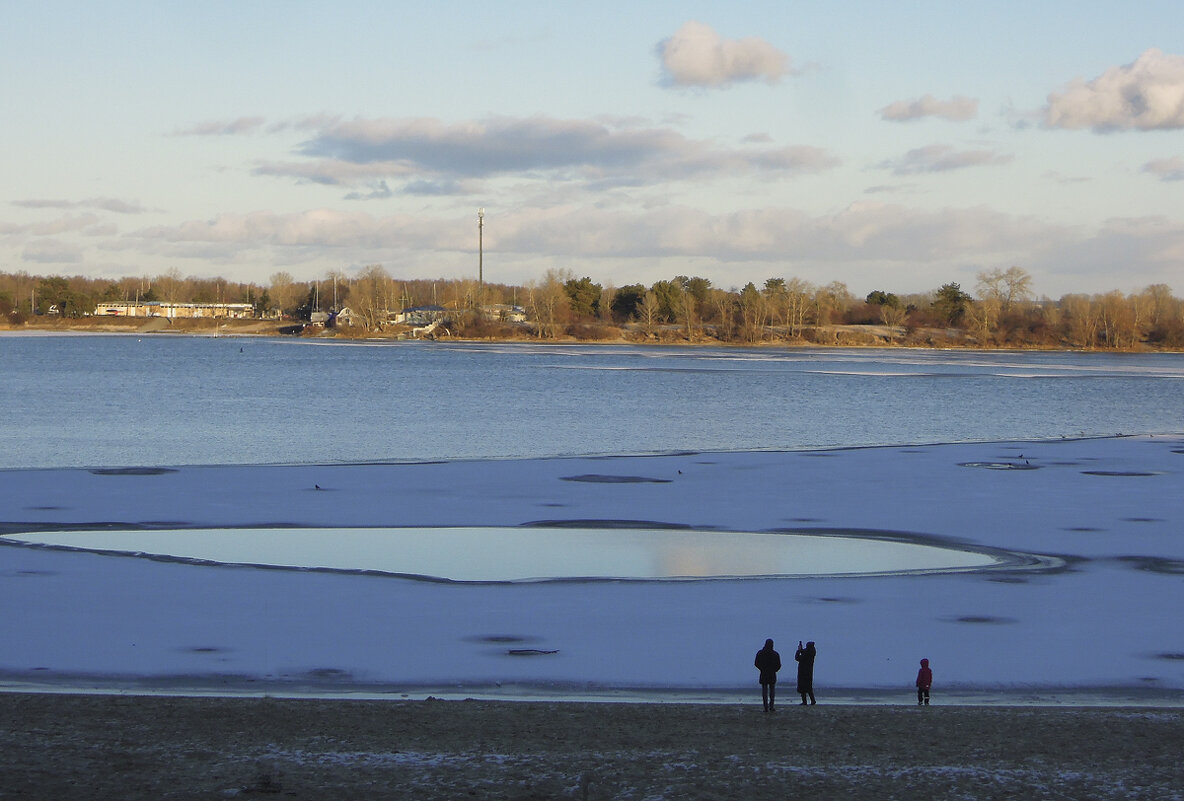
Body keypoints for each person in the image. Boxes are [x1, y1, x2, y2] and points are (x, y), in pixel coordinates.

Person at [754, 639, 781, 712]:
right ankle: (771, 706)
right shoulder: (775, 654)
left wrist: (761, 668)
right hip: (772, 674)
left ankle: (766, 707)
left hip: (764, 673)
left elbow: (756, 663)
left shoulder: (760, 653)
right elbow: (778, 665)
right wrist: (774, 670)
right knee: (772, 691)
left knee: (764, 691)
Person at [795, 640, 816, 705]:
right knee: (809, 687)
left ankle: (805, 701)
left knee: (802, 687)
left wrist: (798, 651)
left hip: (803, 671)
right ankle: (812, 700)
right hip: (809, 671)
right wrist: (801, 650)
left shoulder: (806, 653)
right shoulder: (811, 652)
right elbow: (805, 652)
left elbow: (798, 658)